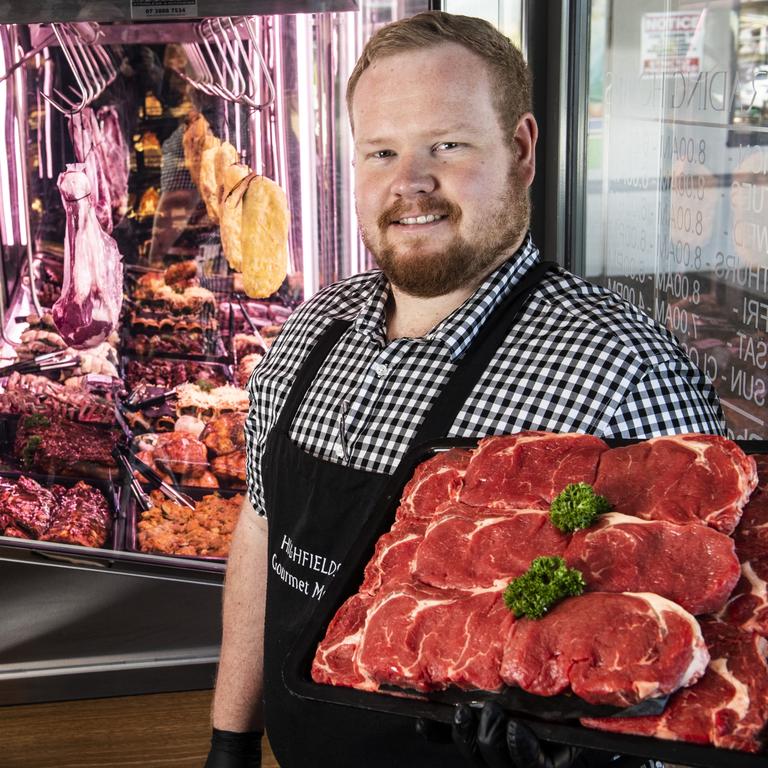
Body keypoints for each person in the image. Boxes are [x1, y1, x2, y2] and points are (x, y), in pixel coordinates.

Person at [204, 11, 724, 768]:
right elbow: (261, 531)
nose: (410, 182)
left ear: (521, 150)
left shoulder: (622, 370)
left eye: (446, 145)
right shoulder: (312, 328)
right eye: (381, 151)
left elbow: (705, 642)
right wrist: (231, 738)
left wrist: (590, 753)